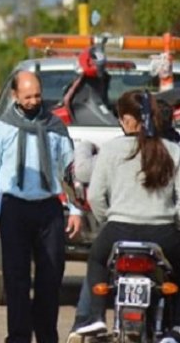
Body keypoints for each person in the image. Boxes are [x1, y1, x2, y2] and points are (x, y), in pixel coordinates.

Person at [0, 70, 83, 343]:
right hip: (14, 210)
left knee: (50, 279)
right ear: (14, 96)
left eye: (37, 95)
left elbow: (70, 173)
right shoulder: (1, 129)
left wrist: (76, 209)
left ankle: (47, 336)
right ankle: (19, 337)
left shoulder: (55, 127)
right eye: (27, 96)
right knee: (16, 279)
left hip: (49, 211)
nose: (34, 101)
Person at [75, 90, 180, 339]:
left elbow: (95, 197)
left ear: (125, 120)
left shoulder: (111, 150)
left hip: (118, 230)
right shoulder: (173, 150)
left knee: (97, 260)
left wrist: (108, 219)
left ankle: (98, 317)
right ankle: (176, 325)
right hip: (163, 234)